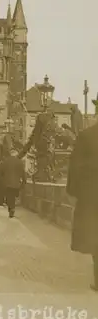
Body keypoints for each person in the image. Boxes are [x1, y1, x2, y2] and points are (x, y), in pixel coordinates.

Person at [66, 122, 98, 292]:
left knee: (95, 239)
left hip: (91, 195)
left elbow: (75, 166)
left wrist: (73, 192)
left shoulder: (87, 135)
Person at [0, 149, 26, 218]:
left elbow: (1, 172)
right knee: (13, 196)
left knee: (9, 196)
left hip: (7, 183)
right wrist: (23, 181)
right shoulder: (19, 162)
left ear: (10, 154)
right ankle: (12, 208)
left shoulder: (5, 161)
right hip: (16, 183)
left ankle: (11, 208)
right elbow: (23, 173)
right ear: (16, 154)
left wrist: (2, 180)